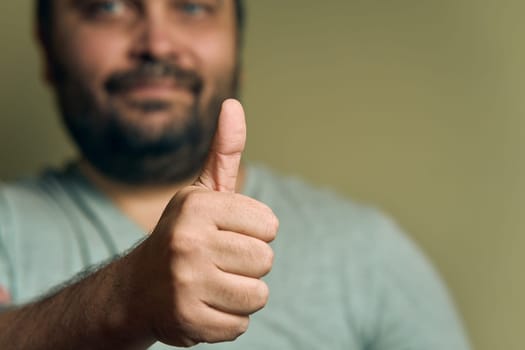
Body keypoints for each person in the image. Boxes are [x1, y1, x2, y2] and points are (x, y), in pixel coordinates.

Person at [0, 0, 471, 349]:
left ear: (238, 49)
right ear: (47, 47)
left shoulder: (368, 252)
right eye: (108, 6)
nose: (157, 44)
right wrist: (126, 296)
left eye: (192, 7)